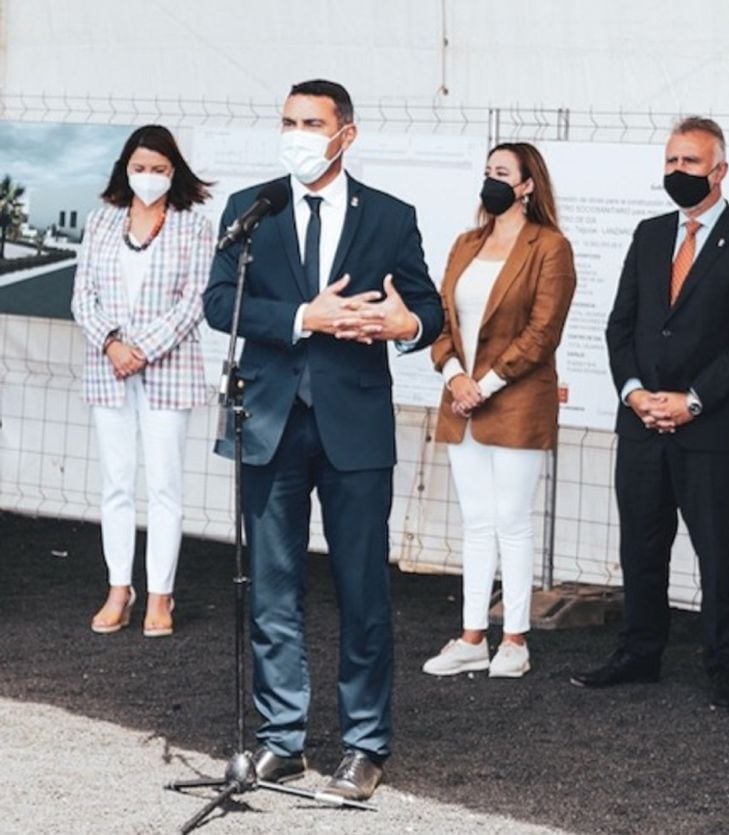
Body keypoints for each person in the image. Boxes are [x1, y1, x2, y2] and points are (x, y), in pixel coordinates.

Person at [202, 80, 443, 800]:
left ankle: (365, 743)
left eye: (313, 122)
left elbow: (425, 308)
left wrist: (407, 327)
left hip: (355, 427)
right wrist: (305, 315)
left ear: (347, 134)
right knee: (272, 590)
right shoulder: (252, 207)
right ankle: (283, 739)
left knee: (362, 588)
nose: (298, 133)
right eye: (288, 120)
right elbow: (219, 302)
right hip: (269, 420)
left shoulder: (392, 218)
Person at [571, 116, 729, 710]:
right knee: (641, 543)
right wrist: (636, 392)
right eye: (670, 162)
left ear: (719, 170)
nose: (677, 173)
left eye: (689, 163)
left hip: (715, 426)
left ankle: (724, 665)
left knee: (718, 551)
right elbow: (622, 325)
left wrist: (691, 401)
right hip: (642, 421)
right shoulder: (648, 234)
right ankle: (640, 652)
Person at [422, 143, 576, 679]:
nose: (491, 181)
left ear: (528, 184)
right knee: (476, 522)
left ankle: (514, 639)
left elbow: (542, 332)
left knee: (511, 521)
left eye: (502, 173)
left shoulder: (550, 247)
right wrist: (454, 377)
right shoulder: (467, 243)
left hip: (514, 401)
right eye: (487, 172)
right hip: (461, 398)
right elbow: (440, 320)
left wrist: (482, 384)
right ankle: (470, 637)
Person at [71, 124, 214, 639]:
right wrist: (112, 343)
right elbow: (81, 294)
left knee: (163, 485)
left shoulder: (193, 226)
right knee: (115, 482)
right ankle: (118, 588)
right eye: (139, 168)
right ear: (124, 169)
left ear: (174, 172)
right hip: (108, 366)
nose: (148, 178)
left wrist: (143, 350)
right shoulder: (102, 221)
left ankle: (160, 593)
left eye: (158, 169)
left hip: (166, 370)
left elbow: (195, 301)